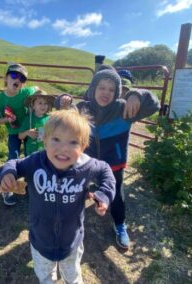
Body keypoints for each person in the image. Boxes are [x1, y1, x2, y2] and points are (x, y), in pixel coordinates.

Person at [0, 110, 115, 283]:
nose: (63, 148)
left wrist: (103, 194)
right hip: (40, 239)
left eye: (73, 142)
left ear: (83, 147)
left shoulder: (87, 166)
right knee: (45, 276)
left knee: (73, 275)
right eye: (56, 139)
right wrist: (8, 172)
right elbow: (14, 163)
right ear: (44, 141)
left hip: (71, 241)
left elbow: (105, 170)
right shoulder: (36, 162)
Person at [57, 67, 160, 250]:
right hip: (86, 163)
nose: (106, 93)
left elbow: (154, 105)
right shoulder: (82, 109)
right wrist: (61, 100)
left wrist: (137, 95)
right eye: (101, 87)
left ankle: (120, 225)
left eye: (111, 89)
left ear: (117, 92)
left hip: (114, 164)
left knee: (116, 195)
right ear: (93, 88)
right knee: (78, 190)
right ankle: (71, 222)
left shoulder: (123, 109)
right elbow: (64, 113)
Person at [0, 63, 39, 206]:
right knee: (13, 156)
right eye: (13, 75)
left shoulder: (26, 92)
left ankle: (29, 184)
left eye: (22, 78)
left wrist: (38, 100)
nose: (17, 80)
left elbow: (37, 88)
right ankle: (7, 188)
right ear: (6, 78)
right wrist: (7, 119)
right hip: (13, 133)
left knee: (32, 155)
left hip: (28, 130)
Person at [18, 89, 55, 156]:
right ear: (33, 105)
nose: (43, 106)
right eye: (40, 103)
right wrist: (27, 132)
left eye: (45, 103)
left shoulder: (50, 118)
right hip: (31, 152)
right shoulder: (28, 119)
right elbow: (20, 136)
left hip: (45, 152)